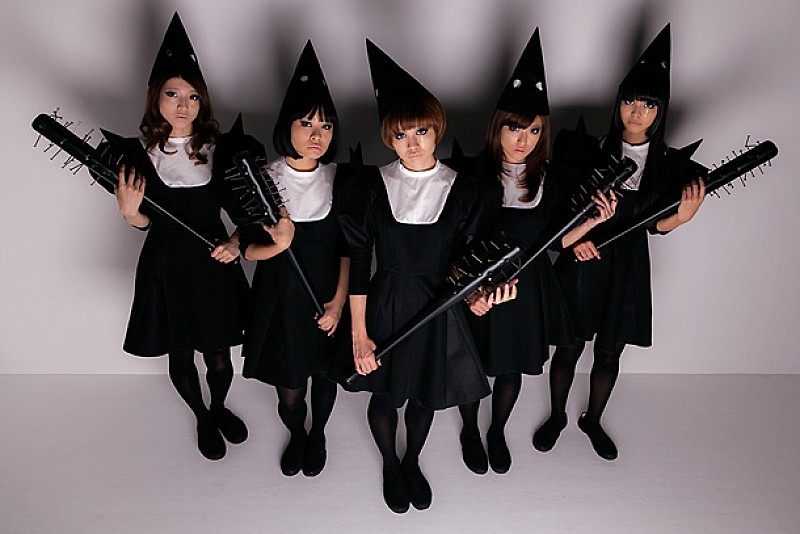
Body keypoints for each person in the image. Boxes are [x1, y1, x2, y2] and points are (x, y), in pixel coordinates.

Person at [533, 24, 705, 460]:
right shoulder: (587, 152)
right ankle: (557, 416)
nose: (637, 112)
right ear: (618, 103)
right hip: (583, 261)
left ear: (660, 111)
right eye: (630, 101)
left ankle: (591, 420)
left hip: (627, 266)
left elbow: (655, 225)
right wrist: (575, 241)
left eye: (649, 104)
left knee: (609, 352)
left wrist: (681, 218)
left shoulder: (666, 166)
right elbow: (559, 216)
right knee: (569, 348)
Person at [453, 28, 616, 475]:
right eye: (514, 128)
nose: (522, 139)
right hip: (481, 286)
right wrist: (471, 289)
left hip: (527, 289)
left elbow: (555, 240)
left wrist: (593, 222)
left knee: (510, 369)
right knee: (472, 363)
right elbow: (454, 241)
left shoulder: (551, 179)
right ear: (498, 127)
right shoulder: (471, 175)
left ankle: (496, 431)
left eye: (534, 130)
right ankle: (470, 432)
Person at [339, 40, 491, 513]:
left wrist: (477, 294)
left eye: (421, 131)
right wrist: (359, 335)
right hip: (385, 302)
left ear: (436, 129)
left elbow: (469, 259)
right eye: (401, 134)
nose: (413, 142)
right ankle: (390, 464)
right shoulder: (372, 185)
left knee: (424, 394)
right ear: (389, 138)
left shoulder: (463, 189)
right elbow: (360, 261)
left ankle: (411, 461)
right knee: (386, 395)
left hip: (440, 304)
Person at [111, 13, 249, 461]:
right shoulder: (136, 154)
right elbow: (146, 223)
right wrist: (130, 214)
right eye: (173, 94)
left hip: (213, 262)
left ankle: (219, 405)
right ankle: (202, 417)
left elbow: (246, 214)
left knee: (219, 355)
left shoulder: (221, 151)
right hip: (166, 264)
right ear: (156, 98)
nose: (183, 105)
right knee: (181, 352)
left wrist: (235, 242)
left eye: (192, 96)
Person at [238, 41, 349, 478]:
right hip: (280, 298)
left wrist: (338, 303)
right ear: (288, 126)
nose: (317, 134)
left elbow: (350, 249)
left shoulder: (341, 179)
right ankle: (297, 432)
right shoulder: (262, 178)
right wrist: (279, 245)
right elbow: (248, 248)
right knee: (290, 386)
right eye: (306, 123)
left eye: (325, 125)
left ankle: (318, 433)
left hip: (327, 297)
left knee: (324, 375)